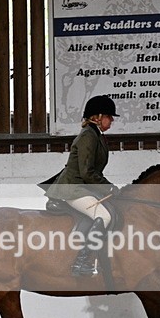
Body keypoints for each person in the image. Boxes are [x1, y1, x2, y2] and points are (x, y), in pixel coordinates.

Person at [44, 95, 120, 277]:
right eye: (110, 117)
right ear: (98, 116)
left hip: (82, 188)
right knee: (104, 216)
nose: (112, 121)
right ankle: (81, 262)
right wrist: (108, 187)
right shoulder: (89, 136)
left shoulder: (96, 135)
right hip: (72, 189)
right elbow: (87, 172)